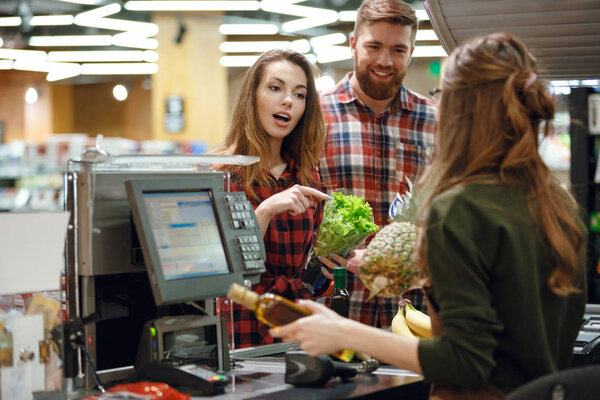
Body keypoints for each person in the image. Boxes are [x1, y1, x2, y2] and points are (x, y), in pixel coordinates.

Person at [272, 32, 587, 397]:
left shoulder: (458, 207)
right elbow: (514, 305)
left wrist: (343, 332)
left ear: (458, 111)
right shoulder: (558, 203)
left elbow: (464, 362)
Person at [319, 0, 437, 326]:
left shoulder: (435, 121)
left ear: (411, 52)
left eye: (398, 50)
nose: (385, 61)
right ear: (354, 45)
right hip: (336, 313)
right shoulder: (314, 117)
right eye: (374, 46)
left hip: (416, 312)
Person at [212, 49, 331, 347]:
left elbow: (309, 272)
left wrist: (328, 263)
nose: (288, 100)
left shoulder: (306, 176)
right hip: (237, 329)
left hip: (294, 328)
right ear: (252, 96)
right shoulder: (218, 174)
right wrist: (264, 212)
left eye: (299, 94)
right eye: (276, 88)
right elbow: (215, 267)